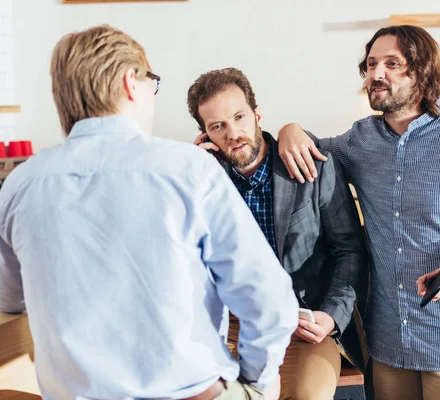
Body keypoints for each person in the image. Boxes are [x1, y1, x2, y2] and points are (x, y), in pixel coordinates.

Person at [0, 25, 298, 400]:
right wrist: (254, 382)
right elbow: (269, 300)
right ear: (131, 83)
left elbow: (9, 299)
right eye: (151, 83)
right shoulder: (189, 170)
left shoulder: (19, 185)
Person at [276, 25, 440, 400]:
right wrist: (288, 128)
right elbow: (308, 150)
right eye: (372, 64)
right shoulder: (359, 140)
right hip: (388, 341)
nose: (376, 74)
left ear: (422, 73)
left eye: (392, 64)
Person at [187, 67, 368, 400]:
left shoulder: (312, 164)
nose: (233, 132)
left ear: (257, 115)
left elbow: (350, 251)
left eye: (239, 117)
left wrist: (331, 316)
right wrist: (191, 181)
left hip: (305, 327)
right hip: (231, 330)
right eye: (218, 126)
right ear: (205, 136)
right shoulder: (201, 181)